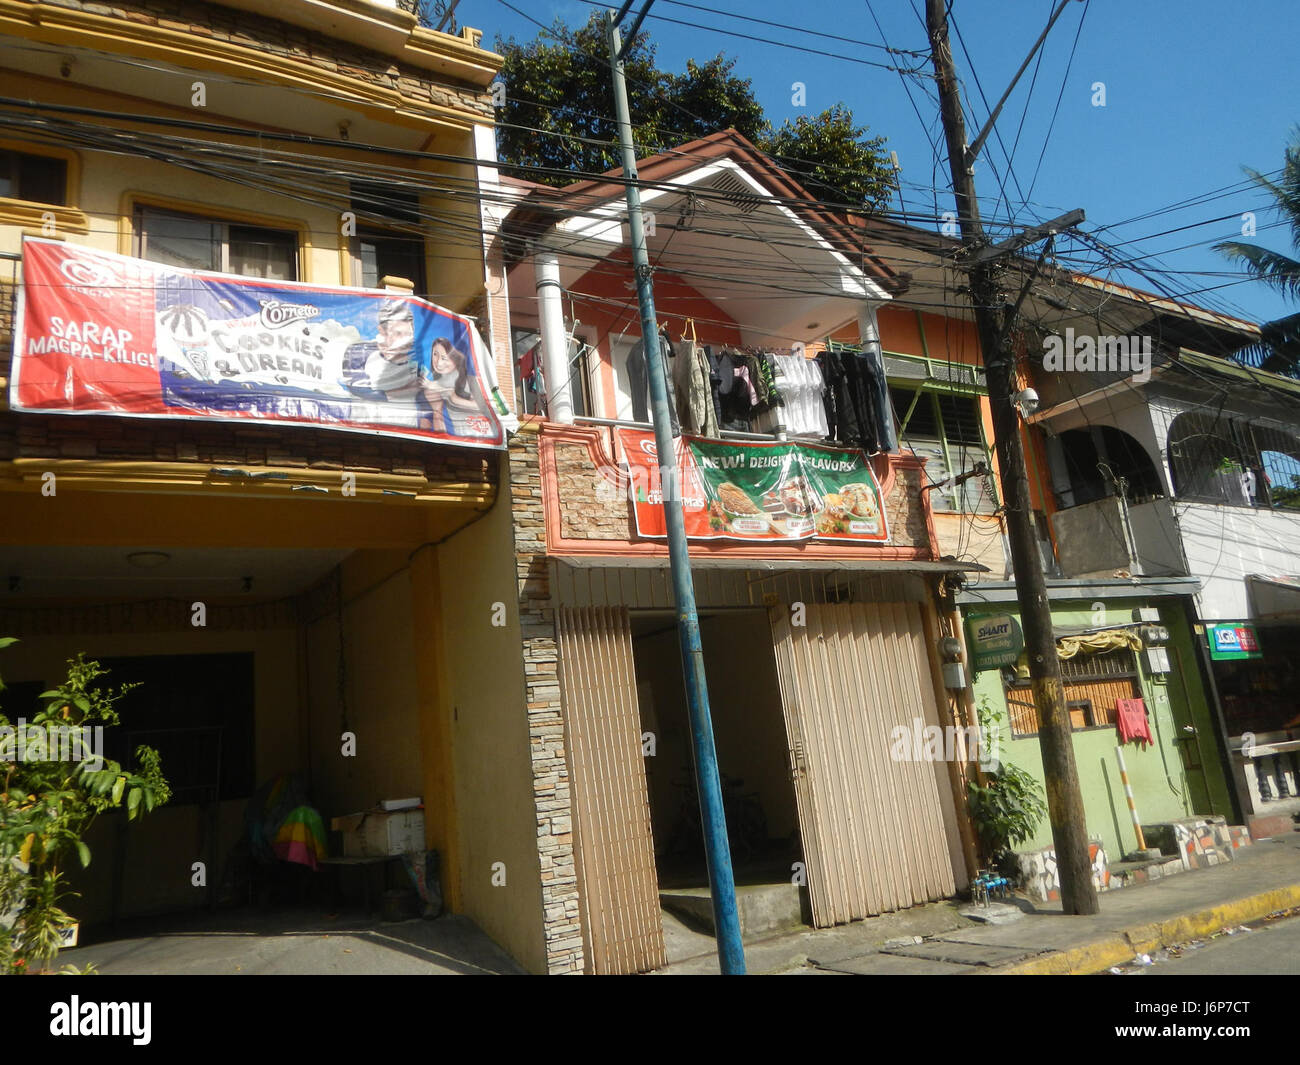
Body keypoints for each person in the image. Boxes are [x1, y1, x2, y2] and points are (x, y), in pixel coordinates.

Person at [419, 337, 488, 434]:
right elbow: (425, 427)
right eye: (435, 354)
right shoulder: (435, 384)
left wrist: (452, 396)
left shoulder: (471, 380)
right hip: (456, 437)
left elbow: (482, 406)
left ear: (455, 358)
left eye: (444, 357)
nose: (438, 362)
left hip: (477, 433)